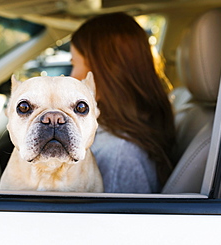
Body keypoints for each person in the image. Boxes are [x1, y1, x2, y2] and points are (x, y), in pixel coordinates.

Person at [70, 12, 176, 193]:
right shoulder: (125, 133)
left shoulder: (119, 155)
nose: (71, 76)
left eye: (74, 63)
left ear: (102, 72)